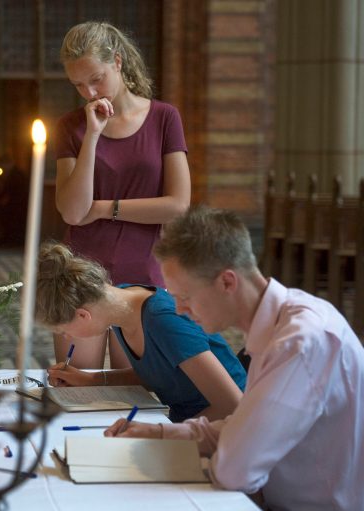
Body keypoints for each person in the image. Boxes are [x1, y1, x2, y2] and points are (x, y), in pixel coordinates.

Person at [104, 206, 364, 511]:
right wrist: (158, 433)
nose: (178, 310)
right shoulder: (277, 323)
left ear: (227, 282)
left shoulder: (300, 342)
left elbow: (234, 471)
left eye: (184, 296)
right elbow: (243, 428)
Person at [53, 21, 190, 370]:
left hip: (143, 274)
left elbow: (177, 206)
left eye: (95, 78)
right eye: (78, 84)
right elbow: (71, 211)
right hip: (80, 275)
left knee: (132, 395)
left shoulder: (164, 118)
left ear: (117, 61)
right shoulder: (72, 126)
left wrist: (102, 209)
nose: (89, 92)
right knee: (76, 385)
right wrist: (92, 137)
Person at [37, 242, 245, 422]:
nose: (66, 337)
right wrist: (90, 379)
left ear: (83, 315)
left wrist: (165, 434)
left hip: (229, 426)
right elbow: (160, 373)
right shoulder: (123, 306)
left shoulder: (164, 322)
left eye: (64, 330)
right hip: (186, 419)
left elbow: (233, 405)